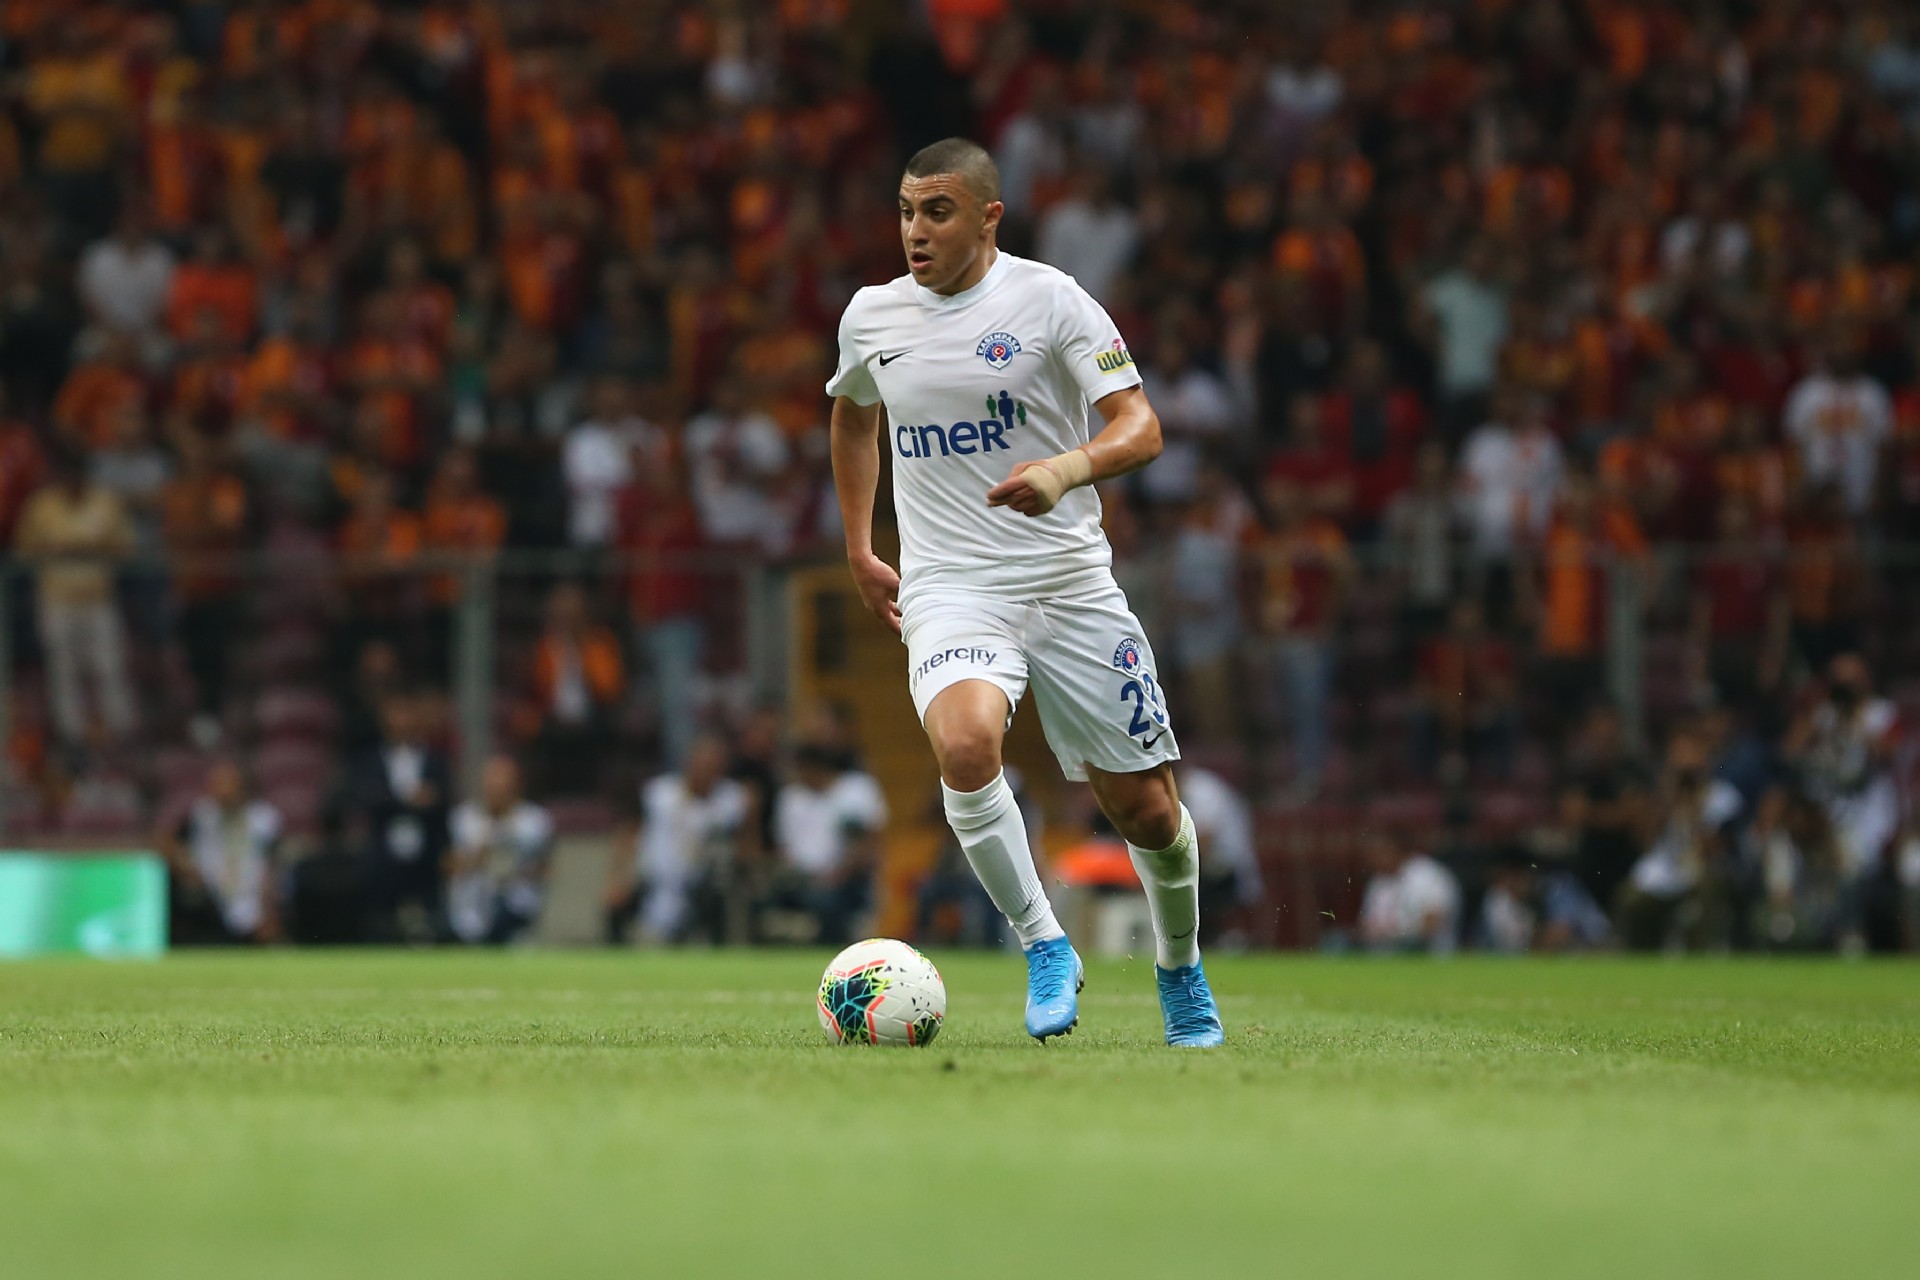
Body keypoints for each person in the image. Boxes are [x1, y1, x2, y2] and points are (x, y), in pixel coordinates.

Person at [826, 138, 1222, 1046]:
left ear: (988, 217)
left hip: (1068, 582)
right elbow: (852, 419)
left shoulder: (1050, 300)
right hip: (951, 585)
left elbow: (1141, 427)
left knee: (1148, 811)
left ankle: (1180, 967)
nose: (916, 232)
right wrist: (858, 546)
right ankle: (1045, 945)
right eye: (906, 212)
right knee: (966, 748)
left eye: (938, 212)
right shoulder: (871, 316)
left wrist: (1064, 470)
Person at [14, 445, 138, 753]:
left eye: (77, 475)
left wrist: (90, 550)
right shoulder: (42, 506)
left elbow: (126, 547)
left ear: (85, 475)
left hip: (98, 599)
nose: (72, 481)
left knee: (108, 666)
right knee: (63, 670)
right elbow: (23, 551)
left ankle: (120, 732)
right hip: (56, 600)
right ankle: (72, 736)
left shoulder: (105, 502)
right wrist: (57, 551)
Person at [609, 733, 758, 945]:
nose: (706, 773)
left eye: (713, 767)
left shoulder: (731, 800)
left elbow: (746, 843)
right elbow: (629, 832)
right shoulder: (659, 793)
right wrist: (619, 876)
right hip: (653, 880)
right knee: (620, 907)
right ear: (689, 762)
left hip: (704, 885)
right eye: (702, 765)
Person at [1618, 730, 1744, 951]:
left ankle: (1702, 954)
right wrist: (1668, 799)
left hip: (1706, 869)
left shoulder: (1722, 796)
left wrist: (1694, 807)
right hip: (1666, 871)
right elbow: (1644, 842)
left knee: (1707, 888)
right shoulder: (1662, 796)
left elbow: (1715, 848)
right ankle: (1640, 956)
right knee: (1631, 898)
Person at [768, 740, 887, 947]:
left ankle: (830, 949)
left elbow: (865, 847)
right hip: (801, 879)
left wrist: (836, 877)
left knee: (826, 902)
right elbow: (783, 848)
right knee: (768, 898)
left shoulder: (854, 791)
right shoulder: (792, 797)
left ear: (815, 768)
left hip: (845, 880)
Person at [159, 759, 284, 945]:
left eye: (226, 783)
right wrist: (186, 867)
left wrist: (269, 905)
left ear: (242, 786)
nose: (219, 790)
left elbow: (273, 865)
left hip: (252, 891)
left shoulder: (263, 818)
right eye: (215, 784)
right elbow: (165, 841)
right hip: (208, 894)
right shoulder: (201, 815)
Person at [446, 756, 553, 946]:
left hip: (515, 904)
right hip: (470, 905)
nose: (498, 791)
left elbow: (546, 869)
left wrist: (512, 867)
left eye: (504, 785)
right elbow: (449, 866)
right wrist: (481, 856)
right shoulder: (464, 818)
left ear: (516, 786)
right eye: (493, 785)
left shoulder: (533, 821)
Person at [1356, 831, 1460, 955]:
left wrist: (1394, 935)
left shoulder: (1429, 874)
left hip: (1428, 956)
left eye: (1376, 853)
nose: (1371, 860)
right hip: (1383, 957)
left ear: (1393, 850)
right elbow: (1366, 926)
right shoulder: (1377, 882)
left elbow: (1432, 925)